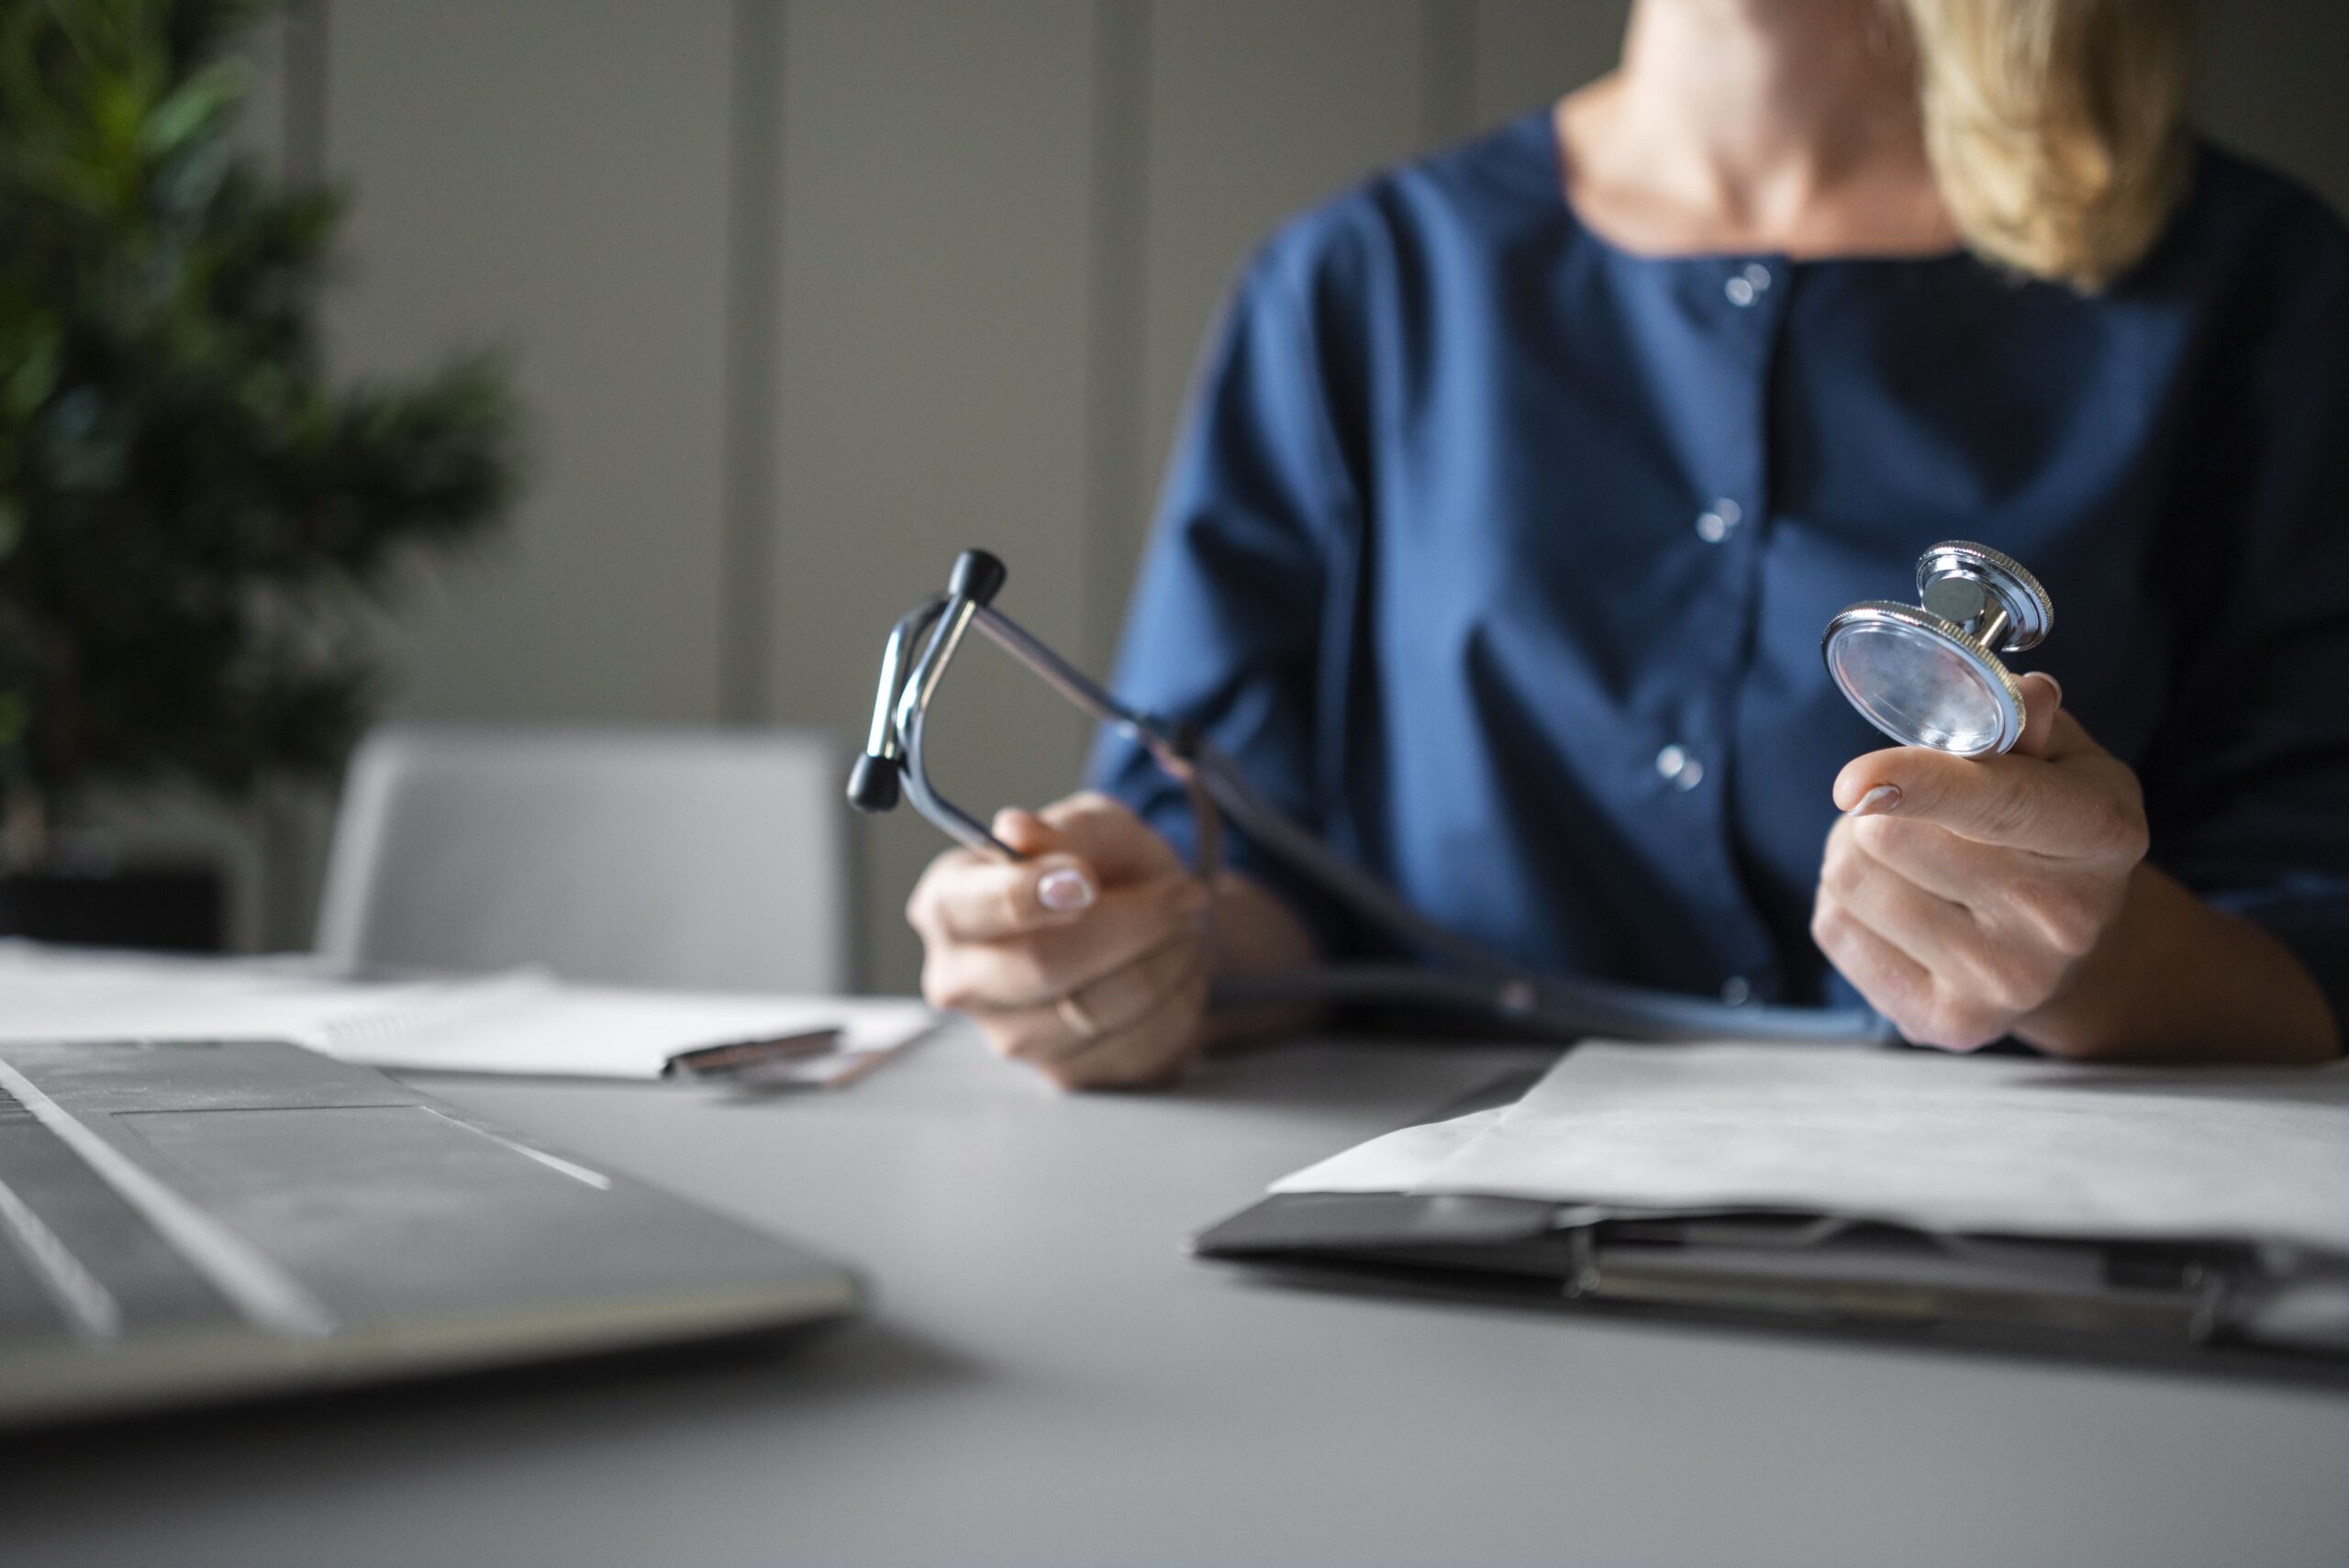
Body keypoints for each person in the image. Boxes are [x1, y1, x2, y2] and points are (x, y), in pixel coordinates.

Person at [907, 0, 2349, 1089]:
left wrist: (2088, 955)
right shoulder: (1364, 283)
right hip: (1427, 1268)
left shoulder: (2259, 291)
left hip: (2011, 1278)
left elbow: (2316, 929)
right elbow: (1237, 875)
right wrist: (1120, 949)